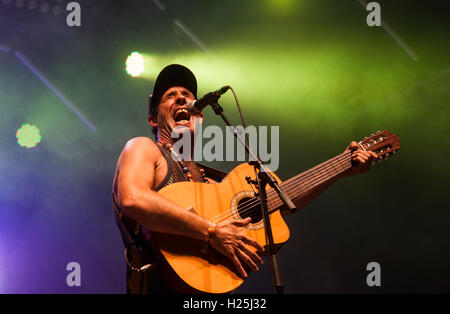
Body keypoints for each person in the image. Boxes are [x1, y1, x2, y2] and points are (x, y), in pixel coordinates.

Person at [112, 64, 378, 294]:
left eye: (187, 95)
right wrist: (211, 231)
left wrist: (342, 167)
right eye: (170, 96)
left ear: (200, 117)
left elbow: (283, 200)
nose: (181, 99)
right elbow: (133, 198)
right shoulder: (143, 149)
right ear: (153, 119)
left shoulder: (210, 184)